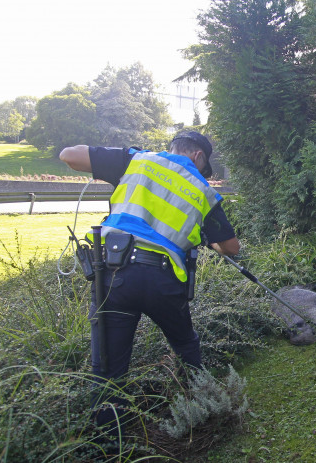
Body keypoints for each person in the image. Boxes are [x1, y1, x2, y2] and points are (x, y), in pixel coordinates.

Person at [60, 131, 240, 437]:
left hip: (113, 276)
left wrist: (121, 159)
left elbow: (69, 155)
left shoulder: (136, 160)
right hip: (163, 279)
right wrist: (214, 244)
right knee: (185, 343)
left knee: (108, 371)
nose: (202, 173)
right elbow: (231, 246)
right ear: (197, 156)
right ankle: (205, 406)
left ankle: (108, 446)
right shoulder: (202, 189)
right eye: (204, 167)